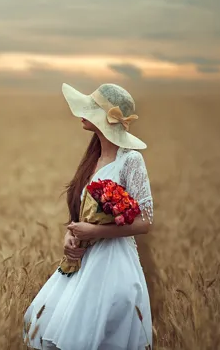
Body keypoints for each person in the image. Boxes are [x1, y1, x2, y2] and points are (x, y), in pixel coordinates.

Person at [23, 83, 154, 350]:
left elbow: (145, 222)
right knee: (53, 323)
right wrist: (70, 235)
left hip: (113, 264)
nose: (81, 113)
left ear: (106, 119)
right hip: (84, 261)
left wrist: (95, 233)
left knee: (97, 333)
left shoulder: (131, 161)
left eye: (91, 108)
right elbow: (81, 211)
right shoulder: (92, 158)